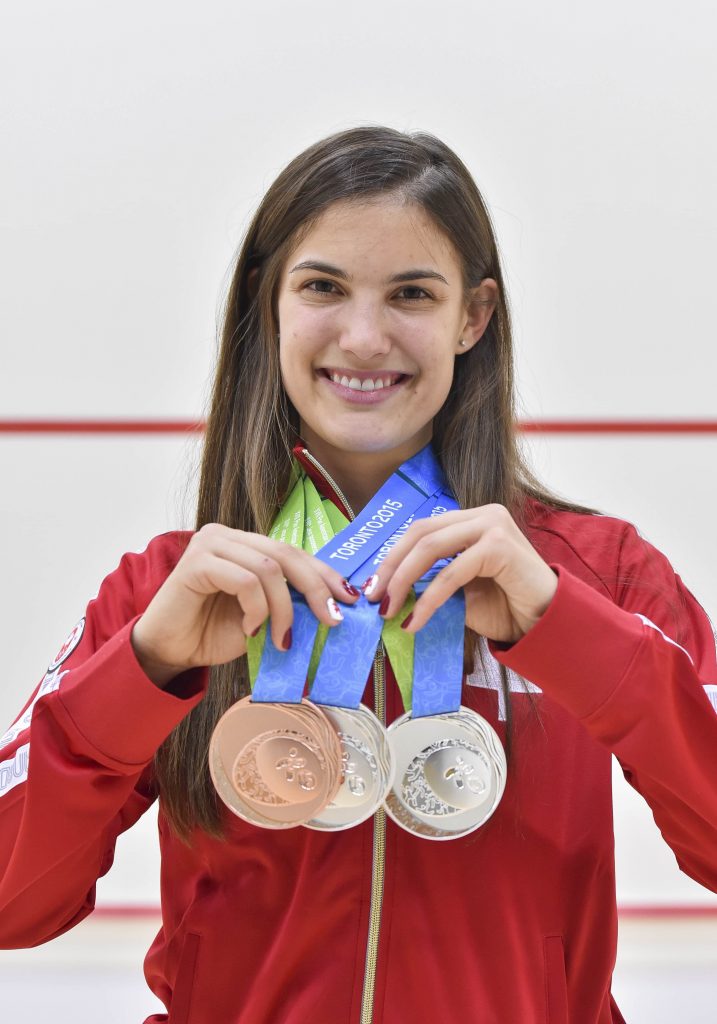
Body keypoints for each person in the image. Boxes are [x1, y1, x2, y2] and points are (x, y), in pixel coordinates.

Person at [1, 126, 716, 1024]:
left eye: (411, 293)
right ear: (269, 305)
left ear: (473, 316)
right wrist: (143, 670)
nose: (365, 336)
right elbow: (11, 904)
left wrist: (565, 631)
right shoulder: (170, 592)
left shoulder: (595, 575)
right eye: (323, 288)